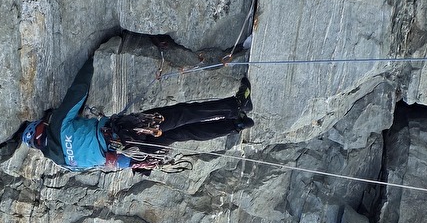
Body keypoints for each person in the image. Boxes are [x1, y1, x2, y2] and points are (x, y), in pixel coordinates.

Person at [20, 49, 253, 172]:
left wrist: (133, 163)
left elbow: (102, 163)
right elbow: (77, 93)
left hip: (130, 151)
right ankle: (236, 106)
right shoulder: (58, 127)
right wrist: (92, 61)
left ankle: (235, 125)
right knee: (181, 115)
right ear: (42, 128)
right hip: (128, 130)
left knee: (184, 134)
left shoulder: (64, 163)